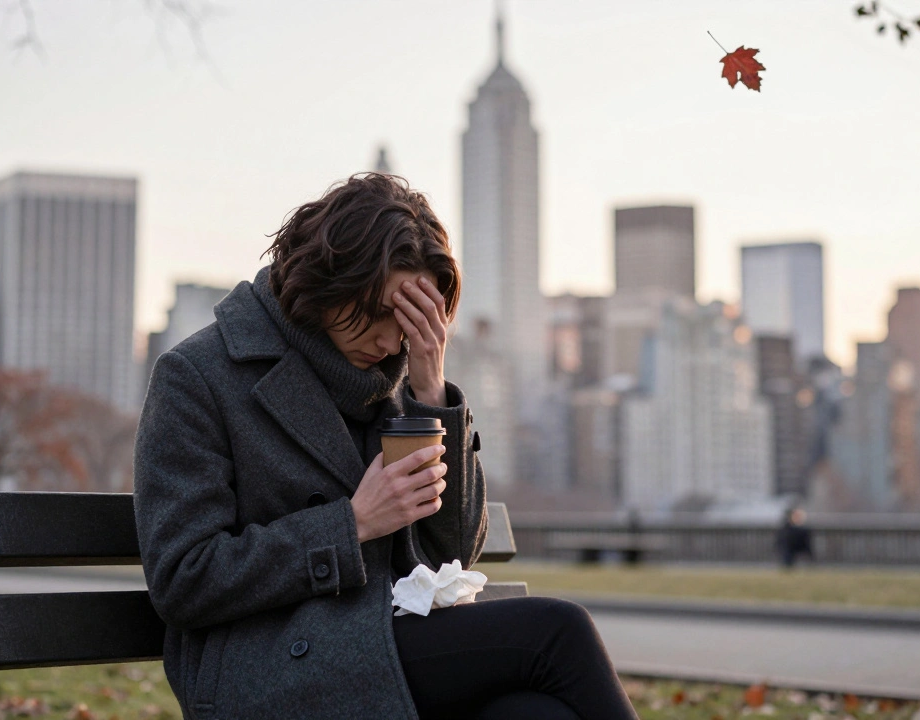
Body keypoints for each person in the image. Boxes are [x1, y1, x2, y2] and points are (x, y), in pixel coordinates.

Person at [134, 173, 637, 720]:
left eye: (407, 320)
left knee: (534, 714)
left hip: (385, 642)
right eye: (376, 312)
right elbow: (184, 579)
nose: (388, 340)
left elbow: (455, 556)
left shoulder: (399, 388)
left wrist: (432, 390)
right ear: (322, 283)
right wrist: (349, 526)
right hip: (265, 666)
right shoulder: (199, 375)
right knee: (557, 631)